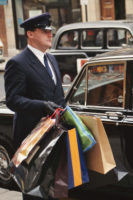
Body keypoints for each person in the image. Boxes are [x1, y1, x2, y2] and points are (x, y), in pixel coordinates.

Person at [4, 12, 65, 200]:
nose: (50, 34)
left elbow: (58, 94)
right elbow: (13, 100)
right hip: (31, 137)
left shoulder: (51, 59)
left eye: (50, 31)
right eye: (44, 30)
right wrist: (41, 106)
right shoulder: (18, 63)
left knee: (53, 185)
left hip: (53, 135)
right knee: (33, 190)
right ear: (30, 34)